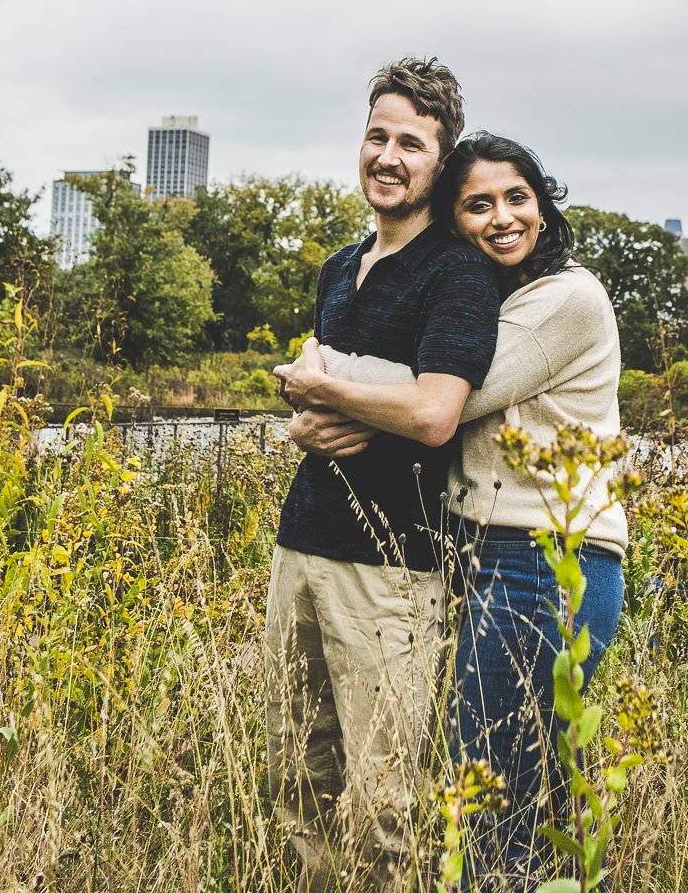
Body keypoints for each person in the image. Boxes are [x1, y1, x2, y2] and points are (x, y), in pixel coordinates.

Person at [276, 132, 627, 887]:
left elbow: (440, 400)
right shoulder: (495, 295)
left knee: (498, 803)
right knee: (496, 790)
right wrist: (326, 378)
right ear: (453, 215)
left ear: (543, 206)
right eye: (478, 204)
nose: (502, 217)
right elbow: (410, 375)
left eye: (517, 198)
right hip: (485, 554)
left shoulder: (564, 299)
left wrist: (317, 380)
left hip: (547, 561)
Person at [265, 59, 500, 893]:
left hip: (392, 567)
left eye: (411, 142)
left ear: (440, 161)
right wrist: (306, 410)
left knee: (381, 797)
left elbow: (435, 413)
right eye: (377, 136)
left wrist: (323, 388)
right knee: (297, 778)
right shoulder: (339, 265)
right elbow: (315, 398)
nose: (388, 156)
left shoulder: (458, 273)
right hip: (302, 543)